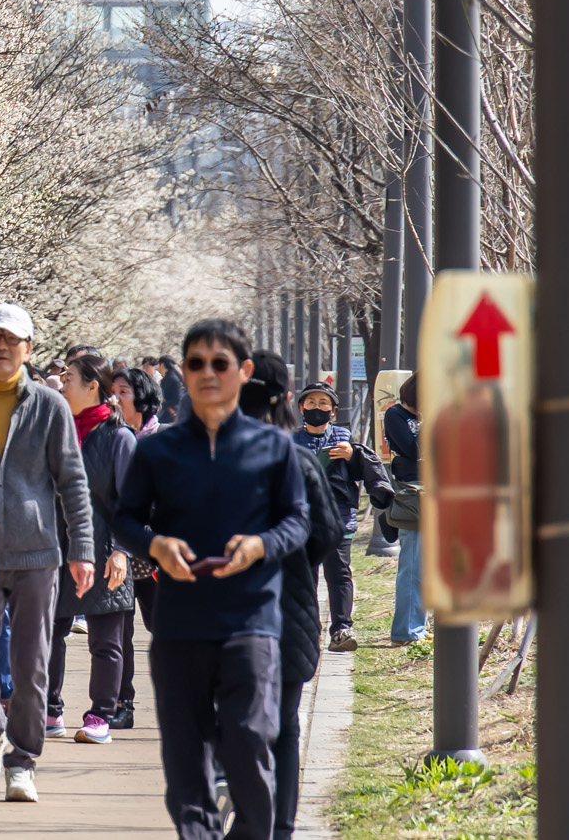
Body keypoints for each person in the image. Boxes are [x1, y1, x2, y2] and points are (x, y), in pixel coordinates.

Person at [114, 319, 310, 840]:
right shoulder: (158, 451)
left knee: (248, 741)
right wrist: (155, 544)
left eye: (219, 363)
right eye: (196, 363)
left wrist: (261, 545)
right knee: (185, 758)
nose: (207, 373)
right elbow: (125, 519)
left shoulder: (275, 447)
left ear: (242, 371)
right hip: (179, 624)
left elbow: (298, 521)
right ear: (184, 370)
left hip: (251, 622)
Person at [0, 302, 94, 804]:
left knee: (31, 666)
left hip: (37, 554)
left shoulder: (49, 406)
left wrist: (83, 549)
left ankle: (22, 761)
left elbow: (72, 481)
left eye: (11, 340)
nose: (2, 348)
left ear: (28, 349)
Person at [240, 353, 338, 840]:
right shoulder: (297, 460)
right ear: (286, 399)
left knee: (233, 723)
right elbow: (326, 534)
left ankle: (244, 819)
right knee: (283, 725)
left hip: (224, 618)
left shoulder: (209, 458)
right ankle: (279, 827)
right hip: (290, 610)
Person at [43, 353, 137, 746]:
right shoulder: (58, 431)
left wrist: (122, 550)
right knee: (49, 631)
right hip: (56, 547)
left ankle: (101, 714)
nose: (61, 384)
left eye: (69, 378)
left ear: (92, 386)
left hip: (105, 548)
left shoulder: (119, 437)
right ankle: (50, 708)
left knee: (105, 639)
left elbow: (133, 502)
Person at [293, 381, 392, 652]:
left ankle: (341, 630)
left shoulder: (344, 438)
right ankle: (307, 630)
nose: (317, 407)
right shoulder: (289, 441)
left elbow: (361, 473)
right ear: (301, 408)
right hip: (301, 520)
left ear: (333, 411)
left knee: (338, 575)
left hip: (338, 518)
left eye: (323, 403)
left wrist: (351, 456)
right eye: (311, 402)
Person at [110, 364, 165, 729]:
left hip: (157, 554)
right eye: (111, 391)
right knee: (118, 634)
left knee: (170, 631)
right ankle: (121, 704)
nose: (114, 399)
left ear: (142, 398)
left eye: (123, 392)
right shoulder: (107, 438)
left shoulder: (165, 442)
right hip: (118, 552)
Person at [385, 375, 429, 644]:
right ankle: (406, 630)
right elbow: (415, 451)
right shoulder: (395, 415)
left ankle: (419, 625)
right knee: (413, 564)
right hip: (413, 494)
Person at [158, 356, 187, 422]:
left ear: (162, 365)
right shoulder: (176, 376)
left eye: (159, 365)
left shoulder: (168, 379)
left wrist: (162, 404)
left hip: (169, 412)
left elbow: (176, 399)